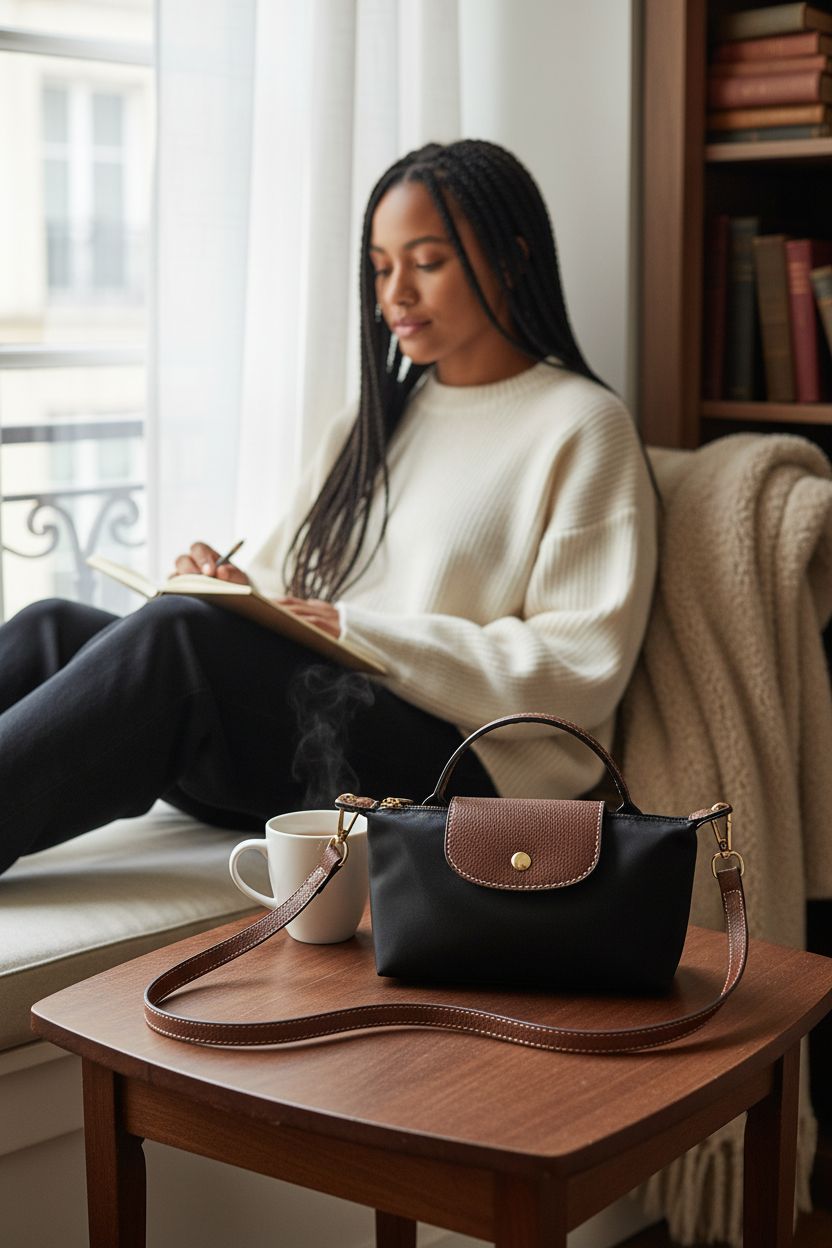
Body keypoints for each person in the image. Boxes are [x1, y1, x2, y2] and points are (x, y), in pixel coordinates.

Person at [0, 139, 656, 877]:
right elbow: (290, 571)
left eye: (427, 262)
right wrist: (231, 585)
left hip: (460, 775)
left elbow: (578, 666)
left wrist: (354, 630)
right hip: (319, 733)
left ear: (510, 258)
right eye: (380, 268)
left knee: (176, 641)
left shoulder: (582, 424)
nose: (395, 294)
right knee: (54, 625)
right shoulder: (377, 418)